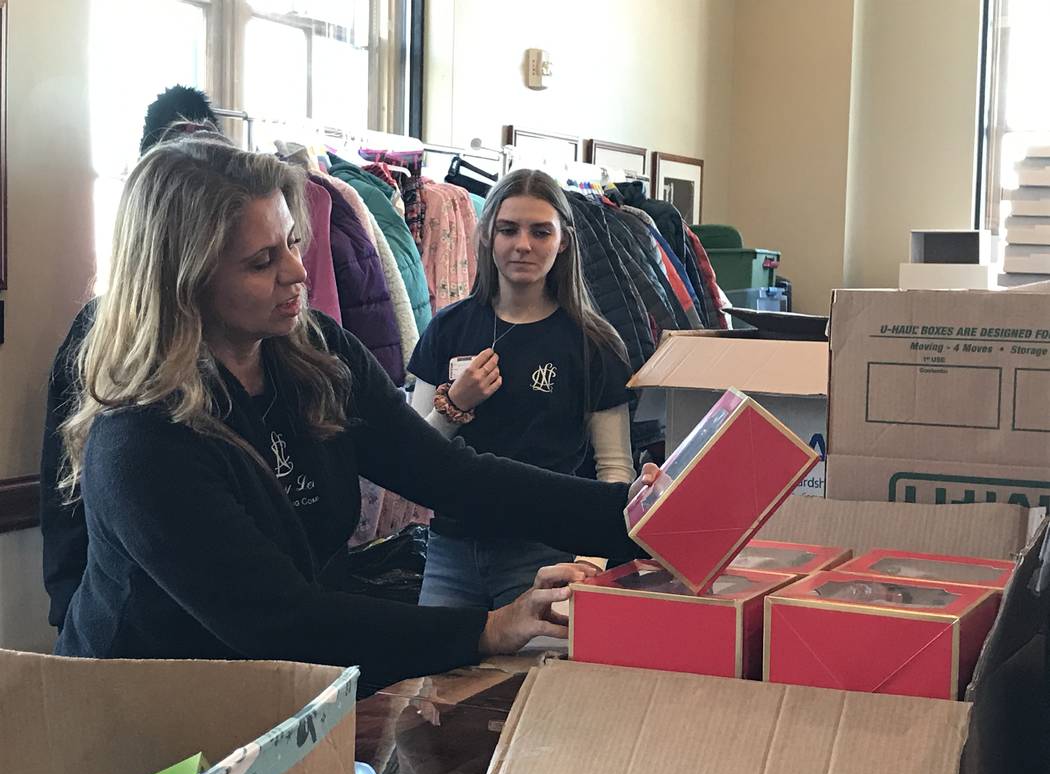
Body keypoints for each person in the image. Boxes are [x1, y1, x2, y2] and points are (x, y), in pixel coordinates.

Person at [52, 136, 656, 690]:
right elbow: (280, 620)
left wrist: (640, 518)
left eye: (292, 241)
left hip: (286, 692)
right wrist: (489, 627)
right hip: (145, 713)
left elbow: (452, 476)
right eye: (261, 262)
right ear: (184, 279)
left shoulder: (316, 354)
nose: (296, 271)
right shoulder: (142, 437)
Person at [40, 85, 225, 630]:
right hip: (123, 621)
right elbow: (64, 474)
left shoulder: (251, 332)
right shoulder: (99, 330)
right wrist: (67, 604)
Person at [408, 169, 636, 608]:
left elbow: (614, 469)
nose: (523, 245)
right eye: (508, 230)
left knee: (531, 678)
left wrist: (592, 561)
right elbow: (412, 456)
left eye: (540, 231)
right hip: (450, 551)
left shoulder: (595, 343)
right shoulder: (447, 329)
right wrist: (454, 406)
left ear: (563, 240)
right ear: (488, 236)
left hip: (546, 555)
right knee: (436, 677)